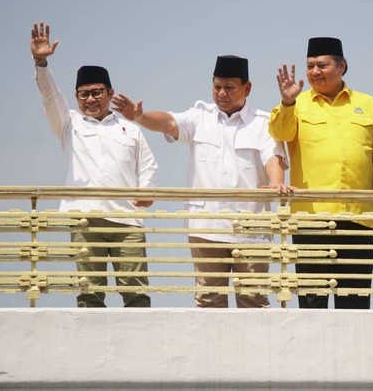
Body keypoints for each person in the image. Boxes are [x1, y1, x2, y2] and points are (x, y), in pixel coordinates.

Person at [111, 55, 290, 308]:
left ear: (247, 88)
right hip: (207, 228)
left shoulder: (263, 123)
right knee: (209, 300)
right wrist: (140, 117)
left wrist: (276, 183)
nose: (221, 93)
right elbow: (169, 122)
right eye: (217, 86)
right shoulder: (200, 117)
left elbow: (273, 157)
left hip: (251, 230)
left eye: (229, 87)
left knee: (253, 300)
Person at [30, 21, 158, 308]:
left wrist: (147, 190)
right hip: (85, 218)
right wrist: (41, 62)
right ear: (76, 98)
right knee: (90, 292)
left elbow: (148, 166)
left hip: (127, 219)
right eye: (84, 94)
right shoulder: (69, 124)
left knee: (136, 291)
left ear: (110, 94)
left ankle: (138, 348)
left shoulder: (130, 129)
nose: (90, 99)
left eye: (97, 92)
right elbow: (51, 97)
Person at [269, 37, 373, 309]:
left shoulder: (369, 105)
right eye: (310, 66)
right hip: (311, 218)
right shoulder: (297, 104)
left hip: (358, 218)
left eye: (322, 65)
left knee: (355, 303)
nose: (314, 72)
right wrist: (287, 103)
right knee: (312, 303)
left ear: (342, 66)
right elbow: (279, 133)